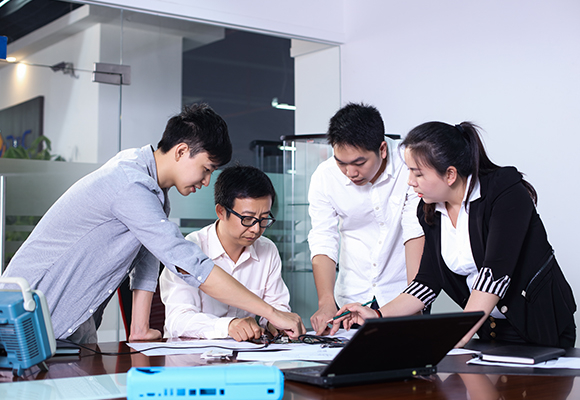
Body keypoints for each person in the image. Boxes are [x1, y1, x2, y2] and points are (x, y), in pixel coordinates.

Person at [0, 104, 305, 344]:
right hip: (26, 315)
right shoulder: (130, 184)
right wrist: (271, 313)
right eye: (206, 168)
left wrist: (140, 328)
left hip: (69, 324)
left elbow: (146, 263)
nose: (206, 180)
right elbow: (188, 262)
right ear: (182, 151)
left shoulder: (153, 191)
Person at [330, 121, 576, 348]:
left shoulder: (504, 192)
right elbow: (426, 282)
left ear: (449, 174)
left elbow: (495, 274)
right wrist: (378, 315)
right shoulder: (429, 209)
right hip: (490, 330)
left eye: (418, 173)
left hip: (542, 328)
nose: (410, 181)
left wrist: (456, 333)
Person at [308, 103, 425, 335]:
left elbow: (415, 232)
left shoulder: (409, 165)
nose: (350, 173)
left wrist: (415, 298)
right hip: (350, 299)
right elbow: (323, 238)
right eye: (341, 163)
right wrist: (326, 302)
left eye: (359, 163)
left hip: (401, 295)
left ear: (382, 149)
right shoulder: (324, 176)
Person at [160, 165, 290, 342]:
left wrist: (274, 323)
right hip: (192, 360)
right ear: (221, 211)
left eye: (264, 218)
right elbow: (178, 320)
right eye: (247, 219)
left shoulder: (267, 250)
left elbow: (276, 306)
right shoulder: (190, 250)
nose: (256, 228)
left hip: (246, 358)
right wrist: (229, 326)